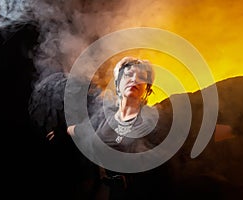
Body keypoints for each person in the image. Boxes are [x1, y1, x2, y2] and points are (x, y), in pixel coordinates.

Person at [66, 56, 167, 200]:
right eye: (128, 75)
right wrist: (61, 133)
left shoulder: (153, 122)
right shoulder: (104, 115)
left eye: (141, 77)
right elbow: (76, 130)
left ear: (147, 87)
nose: (134, 79)